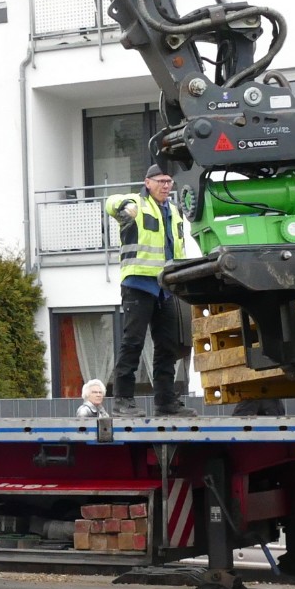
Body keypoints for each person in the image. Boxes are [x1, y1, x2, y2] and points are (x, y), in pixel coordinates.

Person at [104, 165, 192, 417]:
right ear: (147, 182)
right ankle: (122, 401)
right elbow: (112, 202)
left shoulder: (174, 212)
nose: (166, 185)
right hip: (138, 284)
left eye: (169, 181)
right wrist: (123, 207)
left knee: (168, 347)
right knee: (133, 342)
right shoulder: (136, 204)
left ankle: (165, 403)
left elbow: (178, 248)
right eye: (161, 181)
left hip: (166, 287)